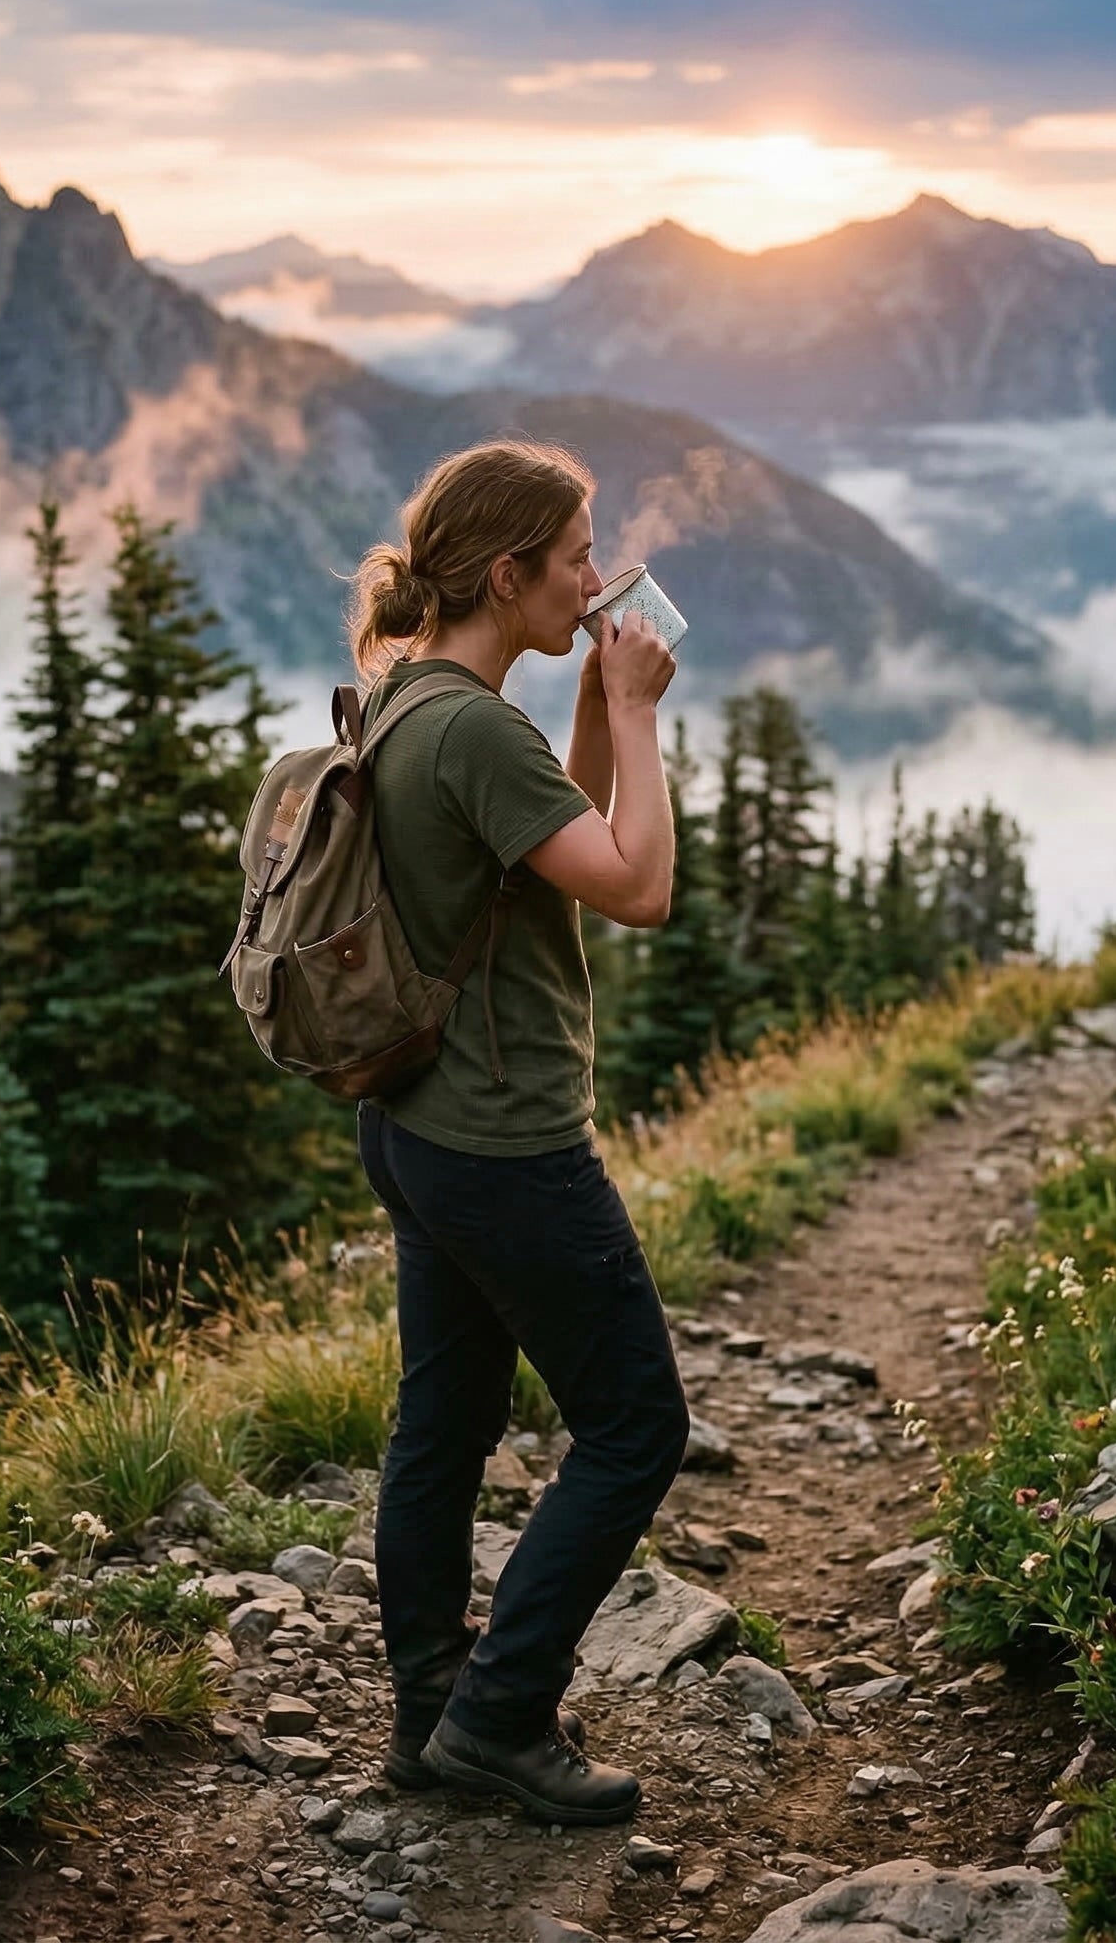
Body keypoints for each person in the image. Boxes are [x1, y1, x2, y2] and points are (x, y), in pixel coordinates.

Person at [347, 437, 690, 1826]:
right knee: (635, 1428)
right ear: (506, 573)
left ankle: (432, 1715)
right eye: (574, 558)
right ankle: (500, 1719)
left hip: (419, 1129)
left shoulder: (415, 698)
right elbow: (636, 885)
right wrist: (647, 717)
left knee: (444, 1423)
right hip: (507, 1146)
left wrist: (601, 705)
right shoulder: (473, 729)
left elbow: (553, 817)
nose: (595, 578)